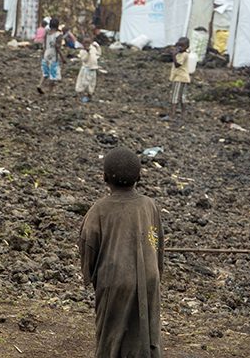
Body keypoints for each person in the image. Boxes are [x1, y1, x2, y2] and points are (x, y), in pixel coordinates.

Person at [79, 148, 164, 358]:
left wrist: (89, 275)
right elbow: (157, 242)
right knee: (145, 329)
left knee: (112, 335)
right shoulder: (149, 205)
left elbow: (88, 245)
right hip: (148, 278)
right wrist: (155, 273)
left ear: (104, 178)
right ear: (139, 178)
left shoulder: (98, 210)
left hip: (114, 281)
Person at [38, 18, 64, 95]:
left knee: (45, 73)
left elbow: (44, 45)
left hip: (46, 54)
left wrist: (43, 55)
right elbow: (57, 47)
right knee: (53, 74)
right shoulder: (58, 35)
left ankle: (40, 85)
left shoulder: (47, 34)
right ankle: (50, 92)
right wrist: (62, 57)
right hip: (53, 56)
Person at [168, 37, 191, 121]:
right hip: (184, 78)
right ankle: (183, 115)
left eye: (182, 46)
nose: (180, 48)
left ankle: (172, 115)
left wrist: (174, 55)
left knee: (175, 96)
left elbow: (177, 65)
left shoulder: (183, 55)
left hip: (179, 78)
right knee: (182, 97)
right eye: (178, 46)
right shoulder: (182, 54)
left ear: (187, 47)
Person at [75, 36, 101, 103]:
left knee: (92, 84)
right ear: (82, 43)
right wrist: (87, 53)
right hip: (86, 70)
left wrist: (97, 47)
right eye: (85, 43)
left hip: (93, 69)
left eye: (88, 42)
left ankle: (89, 96)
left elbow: (98, 54)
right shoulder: (82, 51)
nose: (86, 44)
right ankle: (80, 97)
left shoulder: (93, 48)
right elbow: (84, 59)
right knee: (83, 84)